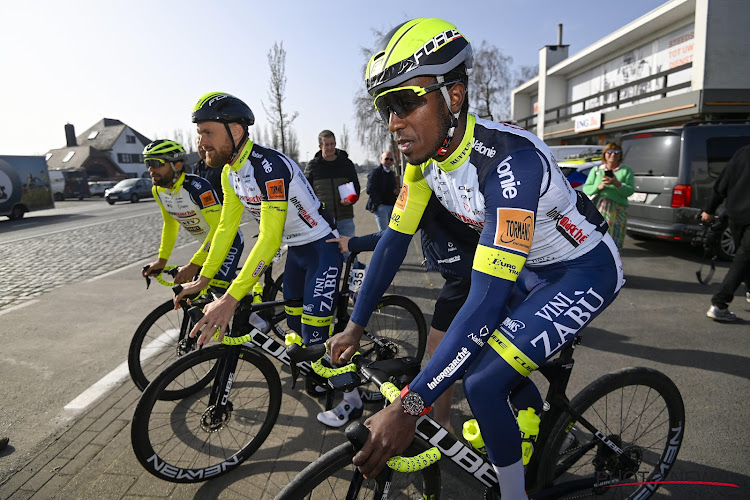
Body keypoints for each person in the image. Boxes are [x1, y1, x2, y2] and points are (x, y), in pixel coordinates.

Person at [327, 19, 624, 500]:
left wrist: (410, 407)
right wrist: (356, 325)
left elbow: (486, 301)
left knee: (483, 380)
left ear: (455, 95)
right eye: (385, 107)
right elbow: (391, 244)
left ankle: (513, 494)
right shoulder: (423, 163)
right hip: (531, 270)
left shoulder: (509, 164)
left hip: (582, 269)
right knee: (479, 356)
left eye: (405, 103)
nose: (393, 121)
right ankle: (529, 419)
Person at [174, 92, 362, 428]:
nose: (200, 142)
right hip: (297, 253)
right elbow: (225, 230)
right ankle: (322, 370)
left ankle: (353, 401)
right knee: (294, 328)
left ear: (235, 130)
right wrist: (204, 278)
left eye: (207, 133)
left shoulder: (268, 167)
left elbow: (269, 237)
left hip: (322, 249)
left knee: (318, 336)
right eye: (199, 133)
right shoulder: (231, 173)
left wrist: (231, 299)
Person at [329, 193, 479, 432]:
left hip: (467, 274)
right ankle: (444, 419)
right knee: (458, 350)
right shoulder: (429, 181)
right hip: (465, 271)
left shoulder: (430, 189)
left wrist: (353, 243)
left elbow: (391, 238)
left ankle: (443, 423)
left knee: (442, 346)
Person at [140, 139, 243, 288]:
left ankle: (251, 311)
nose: (151, 169)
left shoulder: (198, 187)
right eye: (147, 163)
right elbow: (170, 225)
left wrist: (195, 264)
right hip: (207, 245)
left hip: (228, 241)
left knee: (216, 290)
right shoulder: (158, 191)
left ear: (177, 165)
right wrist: (161, 260)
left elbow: (218, 227)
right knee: (198, 296)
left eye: (156, 163)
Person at [701, 143, 750, 322]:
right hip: (740, 216)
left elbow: (722, 181)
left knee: (745, 257)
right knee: (743, 258)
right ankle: (719, 305)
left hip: (735, 215)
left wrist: (710, 208)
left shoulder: (743, 152)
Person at [304, 130, 361, 238]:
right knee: (327, 253)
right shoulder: (312, 167)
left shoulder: (346, 164)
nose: (330, 148)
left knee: (348, 252)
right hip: (323, 221)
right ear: (320, 146)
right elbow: (306, 193)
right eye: (326, 145)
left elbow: (356, 187)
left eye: (332, 144)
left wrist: (351, 199)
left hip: (345, 218)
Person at [581, 141, 634, 249]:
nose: (613, 155)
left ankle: (614, 256)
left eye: (617, 152)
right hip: (599, 208)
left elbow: (630, 191)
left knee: (615, 237)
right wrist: (599, 187)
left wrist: (617, 184)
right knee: (599, 234)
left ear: (620, 155)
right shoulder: (596, 170)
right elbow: (586, 189)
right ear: (605, 154)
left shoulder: (626, 171)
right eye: (609, 152)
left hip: (618, 210)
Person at [366, 150, 400, 231]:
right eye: (386, 159)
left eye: (391, 159)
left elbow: (391, 187)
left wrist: (396, 191)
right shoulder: (375, 172)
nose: (388, 161)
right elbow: (370, 189)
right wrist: (379, 204)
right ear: (381, 159)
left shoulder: (391, 173)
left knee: (391, 232)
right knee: (383, 233)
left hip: (391, 206)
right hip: (381, 208)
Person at [192, 135, 225, 204]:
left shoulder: (220, 165)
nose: (201, 149)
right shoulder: (196, 167)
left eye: (202, 147)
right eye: (199, 147)